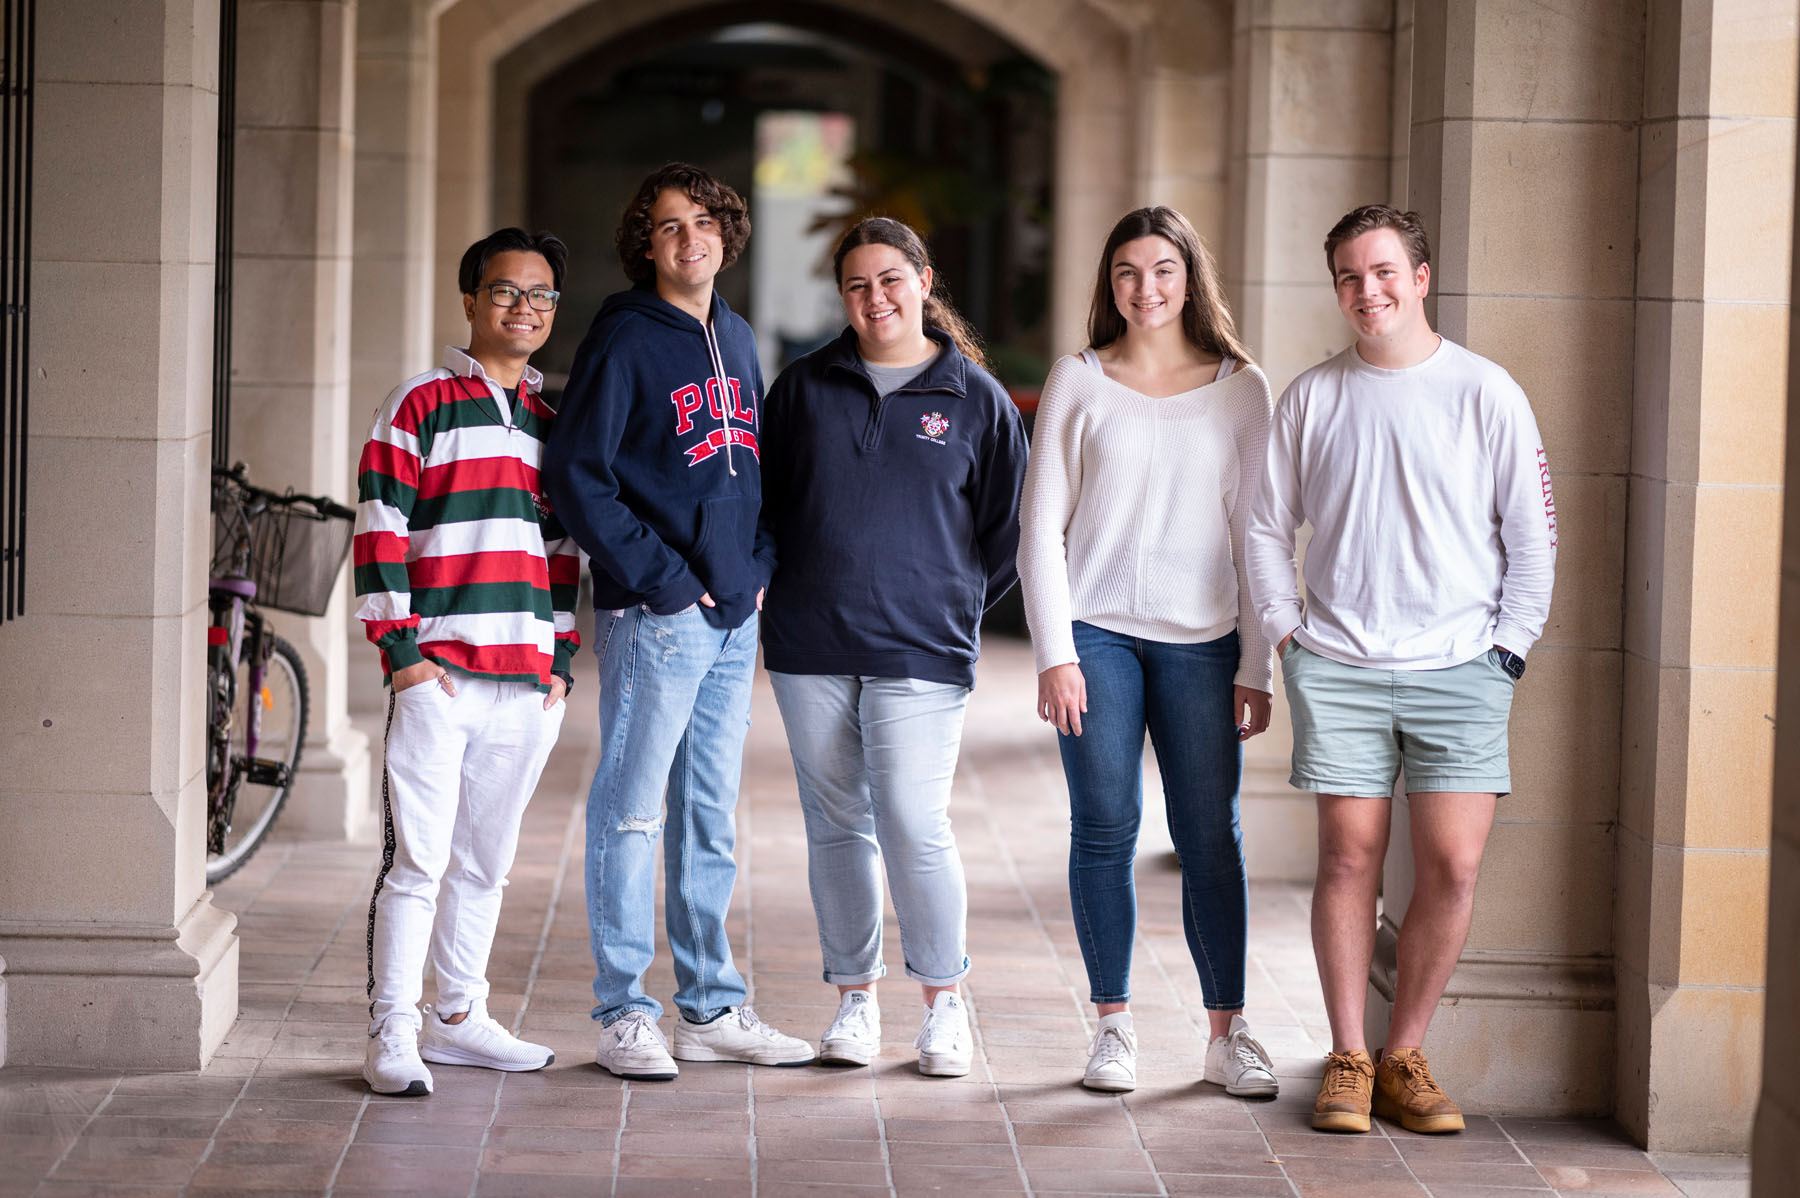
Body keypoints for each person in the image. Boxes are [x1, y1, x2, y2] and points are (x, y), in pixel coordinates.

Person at [1245, 205, 1557, 1134]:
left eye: (1384, 272)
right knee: (1348, 860)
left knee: (1453, 868)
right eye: (1349, 277)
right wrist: (1287, 638)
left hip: (1463, 665)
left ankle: (1403, 1054)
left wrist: (1509, 650)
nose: (1367, 291)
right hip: (1337, 662)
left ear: (1421, 277)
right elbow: (1264, 527)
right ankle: (1347, 1054)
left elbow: (1532, 535)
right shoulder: (1311, 397)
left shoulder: (1486, 391)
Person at [541, 162, 813, 1080]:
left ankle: (711, 1006)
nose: (689, 238)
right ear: (645, 245)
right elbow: (578, 476)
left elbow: (755, 466)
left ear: (727, 233)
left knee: (707, 818)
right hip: (659, 615)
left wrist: (759, 568)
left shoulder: (734, 333)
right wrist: (663, 580)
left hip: (735, 618)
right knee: (630, 813)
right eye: (668, 226)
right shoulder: (623, 339)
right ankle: (624, 1011)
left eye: (704, 221)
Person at [1017, 206, 1279, 1097]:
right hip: (1095, 636)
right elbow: (1038, 528)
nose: (1146, 287)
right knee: (1105, 827)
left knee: (1211, 835)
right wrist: (1056, 652)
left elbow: (1257, 536)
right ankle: (1113, 1027)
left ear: (1189, 277)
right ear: (1110, 285)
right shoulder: (1078, 379)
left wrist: (1256, 664)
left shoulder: (1242, 387)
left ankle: (1225, 1032)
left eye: (1162, 268)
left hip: (1204, 642)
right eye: (1127, 271)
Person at [759, 217, 1028, 1078]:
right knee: (838, 826)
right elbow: (768, 507)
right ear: (843, 296)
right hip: (810, 643)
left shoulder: (974, 398)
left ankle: (944, 1001)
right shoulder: (802, 389)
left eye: (890, 280)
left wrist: (946, 605)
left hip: (922, 650)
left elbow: (1007, 537)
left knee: (915, 822)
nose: (875, 298)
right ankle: (853, 1000)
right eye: (857, 285)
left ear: (923, 280)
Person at [353, 227, 579, 1096]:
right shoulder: (419, 403)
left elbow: (560, 551)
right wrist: (402, 655)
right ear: (470, 299)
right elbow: (380, 526)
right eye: (505, 291)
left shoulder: (553, 428)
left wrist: (560, 658)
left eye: (540, 296)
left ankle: (458, 1018)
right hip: (438, 674)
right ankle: (393, 1031)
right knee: (419, 861)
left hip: (525, 682)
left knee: (487, 863)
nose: (522, 308)